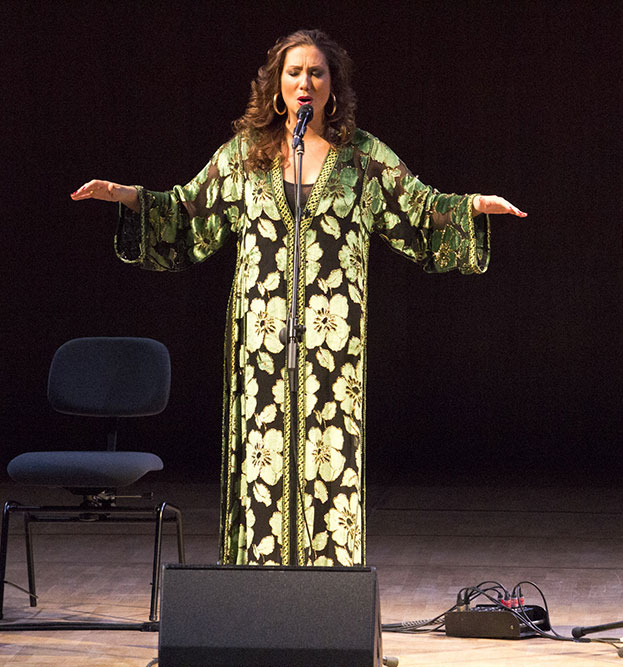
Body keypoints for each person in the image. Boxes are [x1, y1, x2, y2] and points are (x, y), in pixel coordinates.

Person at [71, 29, 525, 569]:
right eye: (294, 72)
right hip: (262, 343)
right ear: (276, 84)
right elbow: (187, 213)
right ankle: (260, 585)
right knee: (263, 462)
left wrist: (471, 207)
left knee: (330, 462)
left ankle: (329, 591)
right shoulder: (245, 156)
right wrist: (127, 196)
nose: (304, 82)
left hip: (334, 347)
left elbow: (420, 208)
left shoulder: (362, 158)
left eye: (316, 72)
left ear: (333, 86)